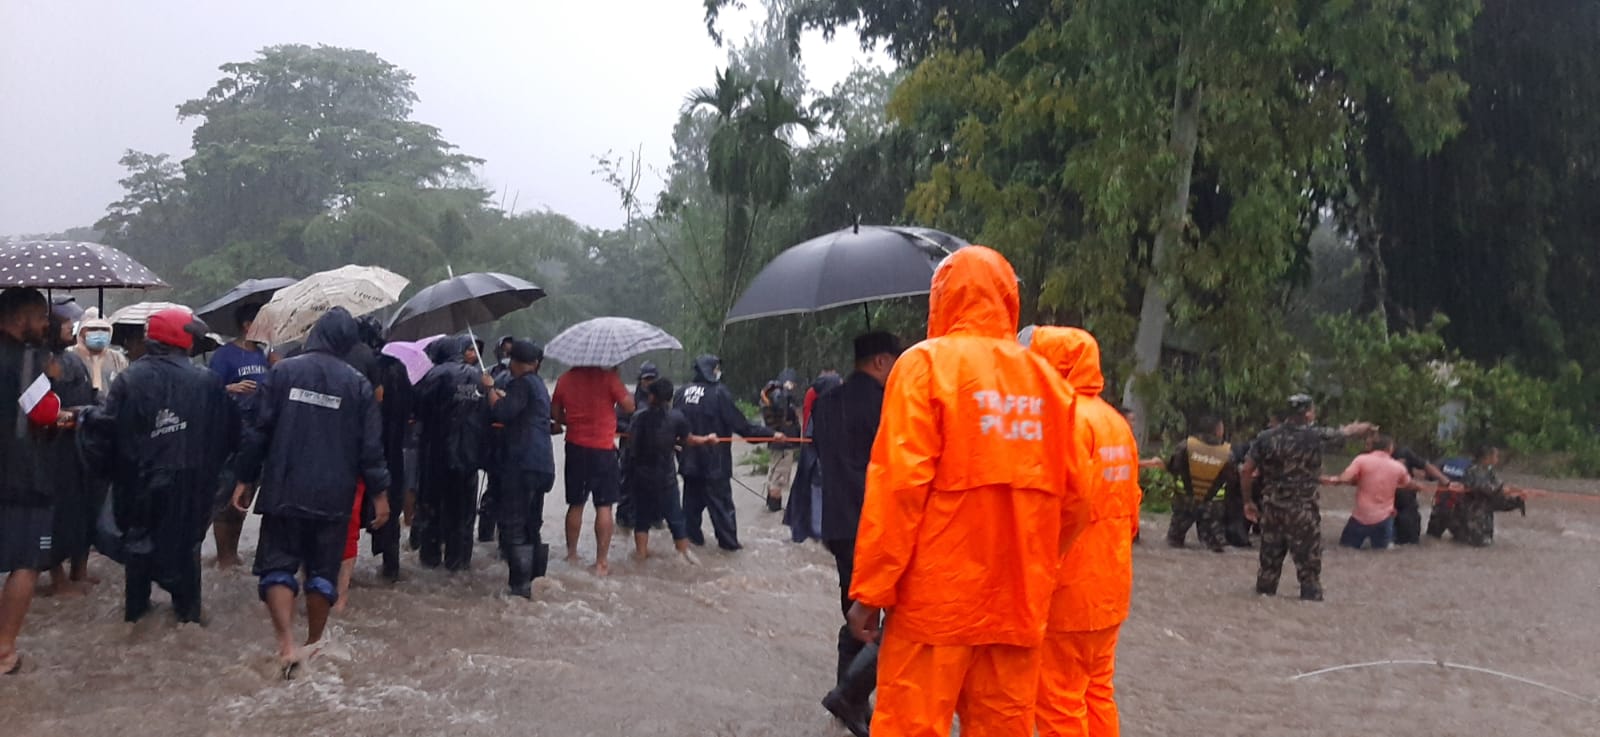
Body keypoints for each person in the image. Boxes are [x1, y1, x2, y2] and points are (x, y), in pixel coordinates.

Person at [847, 247, 1090, 737]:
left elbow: (898, 489)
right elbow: (1078, 499)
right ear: (1009, 300)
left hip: (934, 606)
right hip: (1017, 605)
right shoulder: (1049, 383)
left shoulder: (924, 366)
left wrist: (871, 592)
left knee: (910, 727)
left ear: (941, 299)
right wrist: (1035, 566)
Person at [231, 308, 390, 677]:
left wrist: (244, 478)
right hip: (333, 495)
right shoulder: (357, 384)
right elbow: (370, 447)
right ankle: (314, 643)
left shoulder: (282, 372)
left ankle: (286, 644)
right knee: (322, 572)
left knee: (278, 565)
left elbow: (258, 431)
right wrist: (380, 494)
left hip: (284, 487)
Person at [80, 308, 239, 623]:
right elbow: (230, 435)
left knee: (138, 549)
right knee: (187, 549)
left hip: (138, 483)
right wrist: (214, 480)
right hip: (191, 485)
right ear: (183, 339)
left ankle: (136, 619)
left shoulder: (130, 378)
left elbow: (106, 430)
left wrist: (85, 417)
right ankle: (188, 618)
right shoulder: (207, 381)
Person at [1027, 326, 1142, 737]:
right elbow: (1132, 507)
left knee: (1059, 699)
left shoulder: (1065, 420)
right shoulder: (1115, 422)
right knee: (1097, 690)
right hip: (1111, 585)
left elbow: (1056, 508)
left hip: (1069, 587)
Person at [812, 331, 901, 737]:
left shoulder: (826, 402)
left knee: (856, 609)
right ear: (881, 361)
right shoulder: (888, 404)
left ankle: (851, 701)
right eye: (895, 362)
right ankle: (850, 697)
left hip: (837, 521)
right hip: (874, 521)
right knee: (891, 617)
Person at [1241, 394, 1372, 601]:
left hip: (1272, 511)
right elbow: (1346, 433)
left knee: (1267, 573)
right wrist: (1364, 427)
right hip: (1303, 513)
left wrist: (1248, 501)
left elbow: (1246, 470)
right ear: (1308, 413)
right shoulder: (1316, 436)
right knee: (1309, 576)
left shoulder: (1265, 438)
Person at [0, 288, 68, 675]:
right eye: (41, 316)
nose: (46, 324)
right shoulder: (26, 359)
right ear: (18, 317)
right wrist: (51, 381)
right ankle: (4, 651)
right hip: (22, 474)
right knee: (26, 562)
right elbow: (45, 413)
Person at [675, 355, 777, 552]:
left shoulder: (681, 393)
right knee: (723, 514)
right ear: (709, 370)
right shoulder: (718, 393)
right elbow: (743, 427)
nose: (718, 372)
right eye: (716, 368)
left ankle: (692, 553)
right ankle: (730, 551)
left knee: (690, 516)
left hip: (689, 464)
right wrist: (771, 434)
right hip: (715, 465)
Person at [483, 339, 557, 598]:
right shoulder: (539, 385)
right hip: (543, 464)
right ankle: (537, 581)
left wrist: (490, 390)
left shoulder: (521, 384)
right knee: (531, 524)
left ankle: (520, 588)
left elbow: (503, 413)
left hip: (522, 463)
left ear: (514, 363)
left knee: (514, 524)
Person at [413, 335, 488, 571]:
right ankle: (459, 563)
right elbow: (486, 413)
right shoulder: (479, 376)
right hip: (469, 454)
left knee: (432, 508)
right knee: (463, 512)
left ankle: (430, 559)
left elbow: (419, 410)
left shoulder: (435, 375)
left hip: (437, 453)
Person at [552, 364, 634, 575]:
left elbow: (555, 413)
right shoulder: (609, 378)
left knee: (576, 503)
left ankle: (571, 555)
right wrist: (617, 379)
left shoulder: (565, 379)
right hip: (603, 450)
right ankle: (601, 563)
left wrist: (573, 420)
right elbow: (629, 407)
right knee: (604, 505)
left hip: (575, 447)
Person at [207, 303, 271, 570]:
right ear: (248, 325)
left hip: (255, 437)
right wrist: (231, 387)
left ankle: (232, 553)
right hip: (229, 435)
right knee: (225, 497)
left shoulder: (264, 356)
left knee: (244, 497)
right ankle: (224, 558)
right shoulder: (224, 356)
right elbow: (208, 391)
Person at [43, 298, 99, 596]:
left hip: (81, 445)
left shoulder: (75, 359)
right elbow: (39, 410)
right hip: (52, 448)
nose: (71, 328)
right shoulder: (40, 361)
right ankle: (57, 577)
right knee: (56, 511)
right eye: (65, 323)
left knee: (84, 505)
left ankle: (80, 569)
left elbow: (91, 395)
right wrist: (68, 416)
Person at [626, 378, 715, 564]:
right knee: (676, 519)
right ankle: (683, 556)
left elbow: (631, 448)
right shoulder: (676, 418)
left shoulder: (638, 417)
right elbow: (690, 440)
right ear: (669, 398)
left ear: (651, 397)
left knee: (642, 519)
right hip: (666, 479)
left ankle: (641, 557)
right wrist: (707, 439)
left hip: (641, 477)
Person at [1320, 434, 1422, 550]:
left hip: (1360, 518)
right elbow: (1409, 484)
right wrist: (1419, 486)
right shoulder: (1398, 467)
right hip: (1384, 520)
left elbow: (1344, 478)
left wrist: (1330, 480)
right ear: (1390, 448)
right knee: (1382, 552)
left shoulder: (1361, 460)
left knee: (1345, 548)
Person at [1165, 415, 1234, 553]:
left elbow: (1172, 467)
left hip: (1185, 501)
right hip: (1213, 506)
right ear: (1218, 430)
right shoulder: (1227, 453)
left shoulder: (1185, 445)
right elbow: (1232, 478)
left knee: (1174, 540)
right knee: (1215, 545)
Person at [615, 362, 659, 531]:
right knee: (627, 488)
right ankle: (624, 519)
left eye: (652, 379)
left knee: (655, 489)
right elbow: (616, 422)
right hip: (630, 453)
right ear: (640, 380)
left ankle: (654, 519)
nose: (649, 382)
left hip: (654, 455)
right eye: (646, 379)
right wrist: (635, 430)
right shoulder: (628, 400)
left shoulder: (661, 402)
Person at [1452, 445, 1525, 547]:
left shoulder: (1488, 471)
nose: (1497, 459)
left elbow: (1498, 488)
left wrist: (1516, 497)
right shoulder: (1473, 470)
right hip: (1471, 516)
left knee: (1486, 544)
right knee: (1477, 545)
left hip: (1483, 515)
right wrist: (1502, 490)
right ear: (1487, 457)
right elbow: (1484, 489)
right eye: (1496, 456)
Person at [1389, 445, 1450, 545]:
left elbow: (1425, 465)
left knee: (1409, 541)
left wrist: (1446, 482)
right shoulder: (1370, 459)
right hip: (1386, 508)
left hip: (1405, 506)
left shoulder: (1403, 452)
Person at [759, 369, 801, 512]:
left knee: (774, 473)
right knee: (780, 476)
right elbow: (779, 406)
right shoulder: (779, 394)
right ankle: (775, 508)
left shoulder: (772, 393)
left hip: (777, 441)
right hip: (782, 443)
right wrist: (786, 392)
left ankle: (771, 504)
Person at [72, 307, 127, 397]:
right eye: (93, 329)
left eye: (104, 329)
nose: (99, 333)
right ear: (82, 332)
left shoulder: (117, 358)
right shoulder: (71, 357)